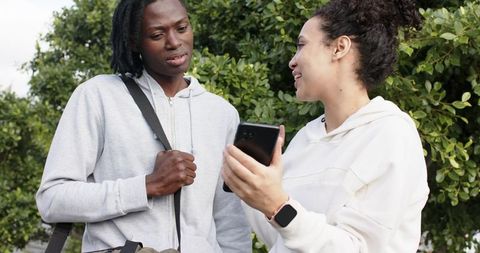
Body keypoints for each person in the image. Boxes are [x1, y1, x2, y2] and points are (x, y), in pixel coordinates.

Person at [36, 0, 251, 252]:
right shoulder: (98, 96)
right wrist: (147, 185)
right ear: (134, 41)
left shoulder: (222, 114)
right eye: (157, 34)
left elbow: (230, 219)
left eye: (181, 28)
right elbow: (52, 199)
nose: (173, 42)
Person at [222, 0, 429, 252]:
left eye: (301, 45)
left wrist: (278, 205)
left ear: (339, 47)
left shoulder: (391, 134)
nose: (292, 61)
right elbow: (280, 240)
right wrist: (251, 190)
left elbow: (360, 247)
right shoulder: (306, 138)